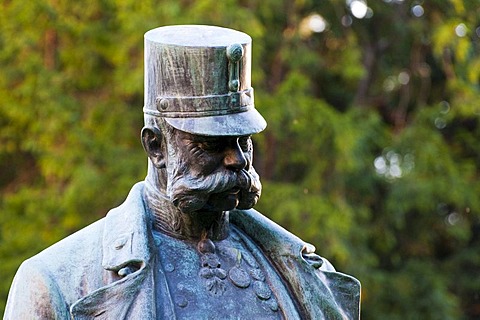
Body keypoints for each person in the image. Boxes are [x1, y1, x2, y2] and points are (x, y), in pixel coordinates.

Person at [4, 25, 360, 319]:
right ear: (156, 147)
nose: (237, 159)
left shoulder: (308, 275)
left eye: (243, 141)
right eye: (210, 144)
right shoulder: (56, 282)